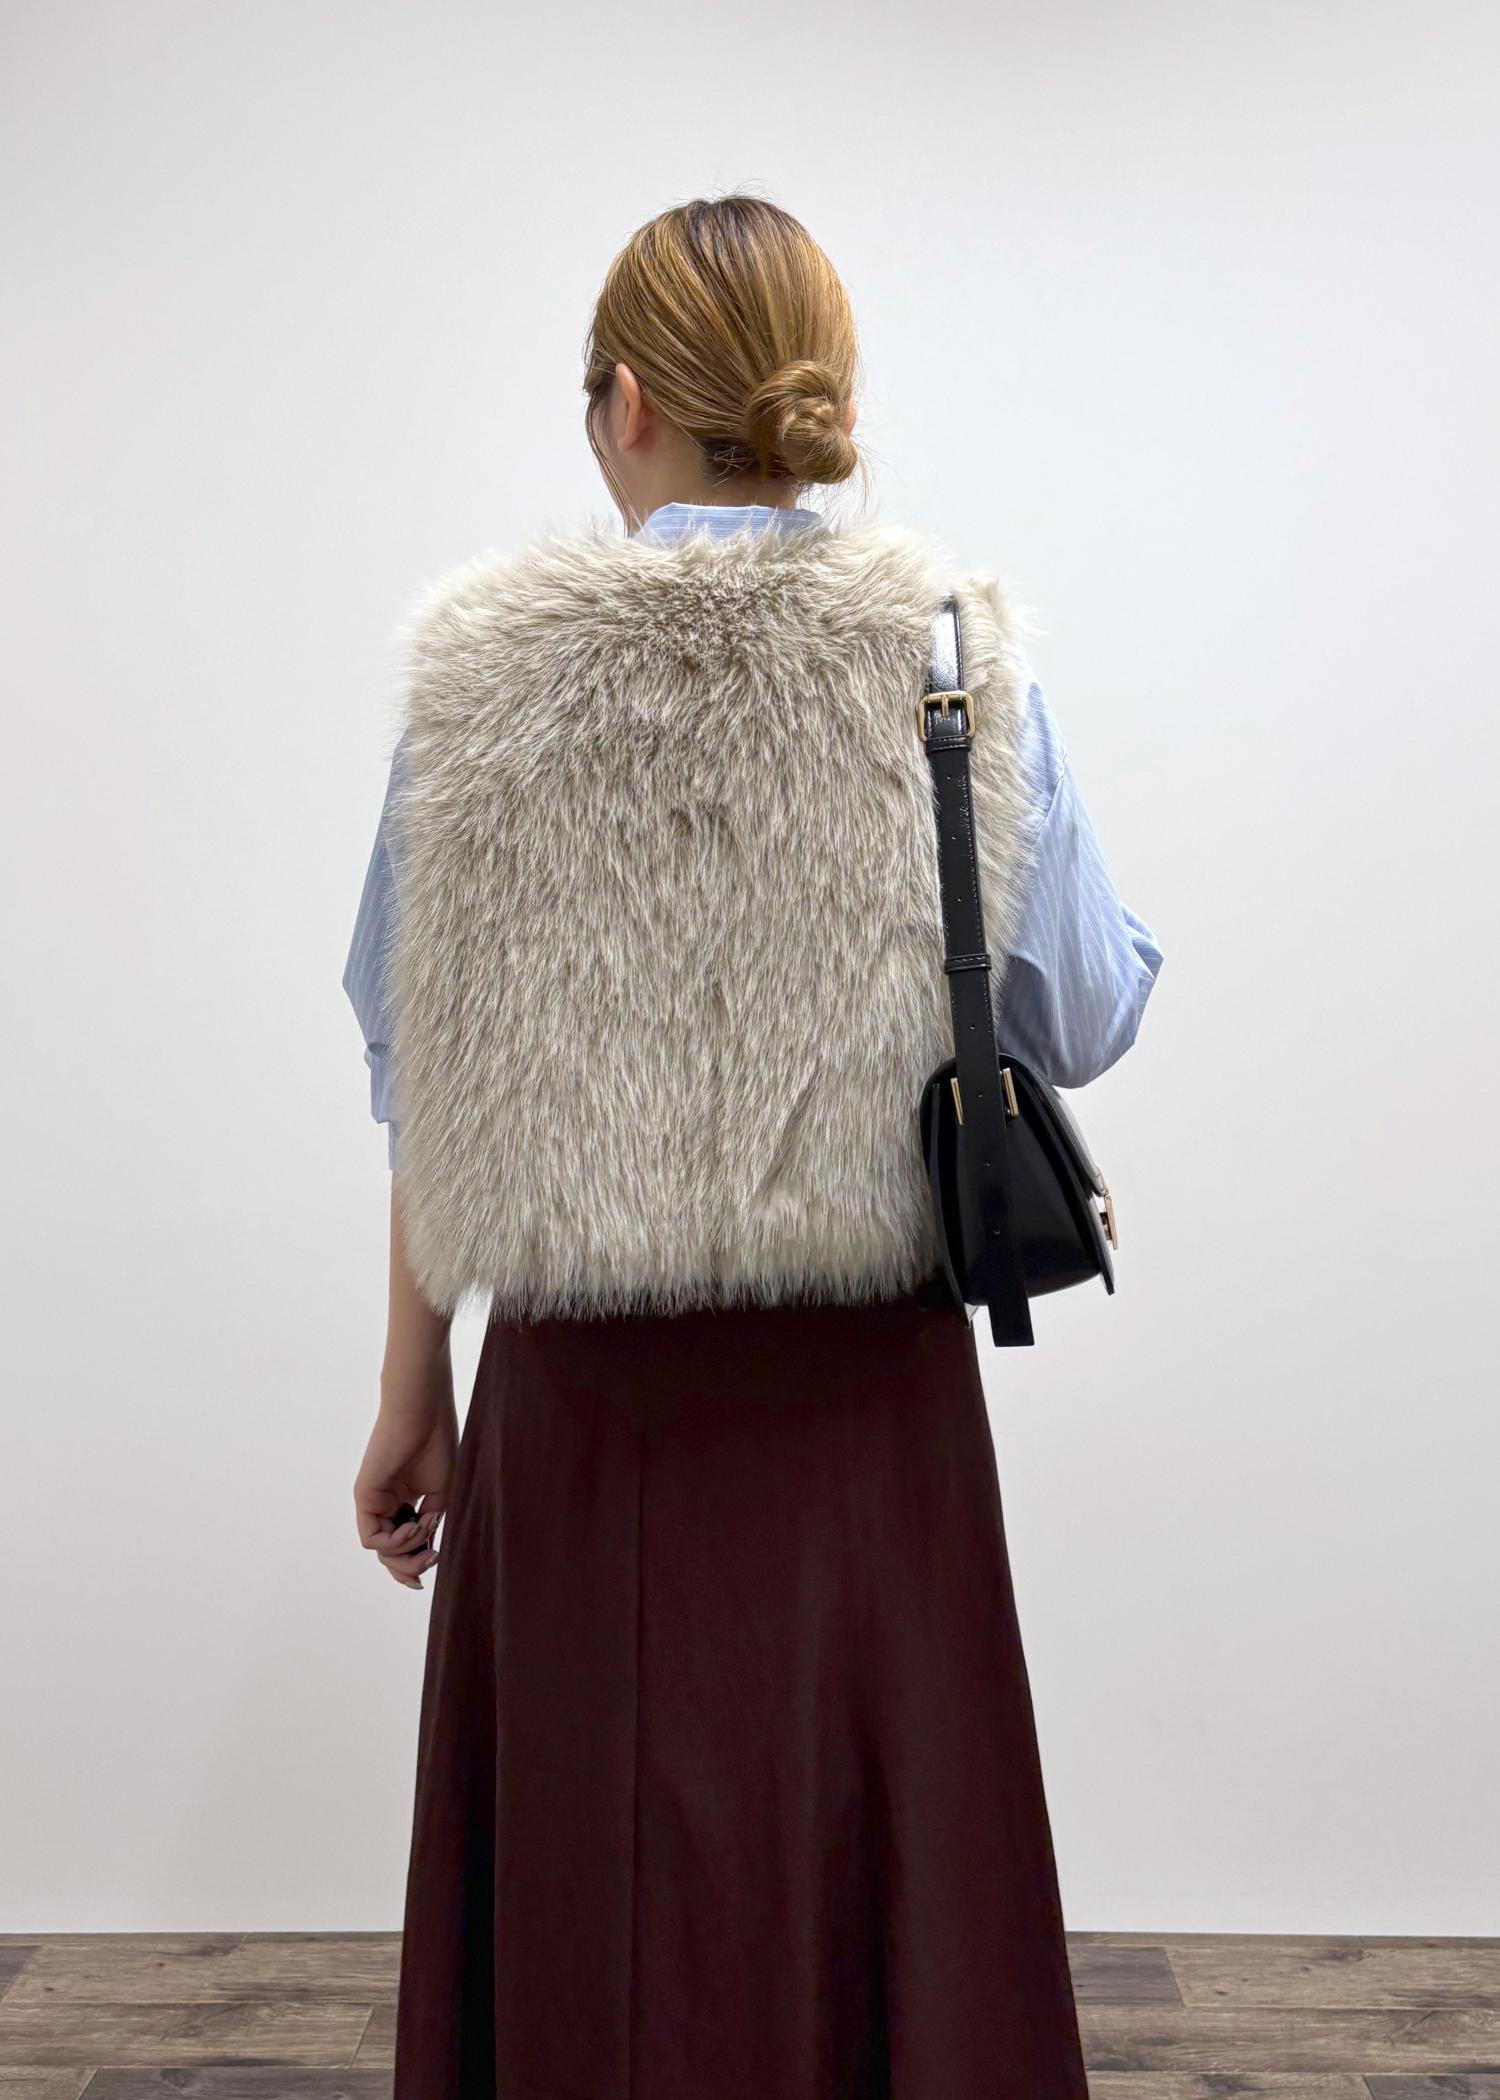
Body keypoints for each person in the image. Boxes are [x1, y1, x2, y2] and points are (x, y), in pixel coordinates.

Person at [343, 192, 1161, 2100]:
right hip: (870, 1417)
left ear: (626, 402)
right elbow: (1084, 1016)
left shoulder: (476, 693)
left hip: (581, 1420)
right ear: (825, 405)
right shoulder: (953, 665)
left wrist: (411, 1389)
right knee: (882, 1903)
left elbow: (416, 1066)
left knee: (589, 1916)